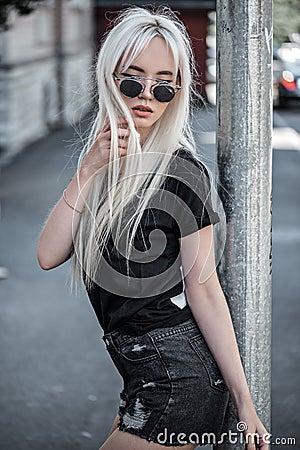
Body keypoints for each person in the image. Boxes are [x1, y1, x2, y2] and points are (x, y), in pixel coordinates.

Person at [37, 6, 269, 450]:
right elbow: (48, 255)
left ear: (178, 91)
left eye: (164, 85)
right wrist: (88, 170)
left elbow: (205, 291)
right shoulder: (104, 168)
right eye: (132, 78)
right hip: (141, 378)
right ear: (109, 77)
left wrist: (245, 404)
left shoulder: (182, 174)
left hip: (177, 378)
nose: (146, 95)